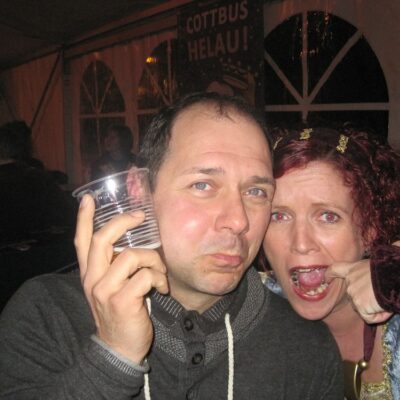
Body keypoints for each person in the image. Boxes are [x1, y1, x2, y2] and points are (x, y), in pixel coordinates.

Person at [0, 93, 343, 399]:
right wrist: (112, 358)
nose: (238, 220)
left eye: (255, 192)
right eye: (203, 185)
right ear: (138, 188)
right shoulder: (47, 314)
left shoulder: (305, 348)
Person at [262, 127, 400, 399]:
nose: (301, 243)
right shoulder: (244, 310)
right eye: (279, 216)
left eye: (328, 216)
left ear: (370, 230)